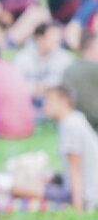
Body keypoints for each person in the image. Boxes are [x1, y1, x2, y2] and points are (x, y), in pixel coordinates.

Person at [41, 84, 98, 212]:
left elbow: (75, 171)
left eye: (49, 100)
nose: (44, 105)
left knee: (15, 187)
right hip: (87, 188)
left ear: (64, 102)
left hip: (86, 195)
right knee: (45, 176)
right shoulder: (74, 118)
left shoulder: (70, 125)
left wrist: (79, 210)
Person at [61, 31, 98, 128]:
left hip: (73, 120)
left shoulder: (68, 69)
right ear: (90, 48)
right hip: (93, 121)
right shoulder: (95, 68)